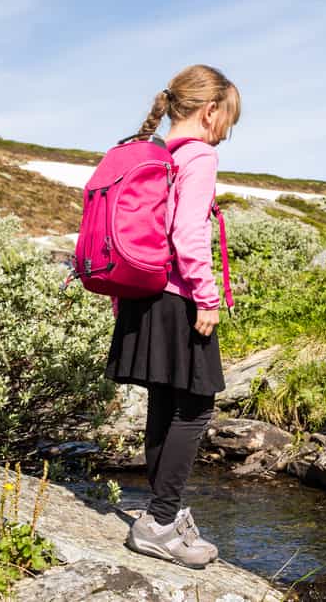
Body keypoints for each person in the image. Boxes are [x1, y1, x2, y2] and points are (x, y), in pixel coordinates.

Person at [105, 65, 240, 568]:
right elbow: (187, 233)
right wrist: (206, 296)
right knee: (197, 407)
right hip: (178, 298)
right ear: (209, 111)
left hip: (143, 296)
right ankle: (161, 522)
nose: (227, 129)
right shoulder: (200, 155)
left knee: (164, 404)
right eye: (229, 118)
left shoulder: (154, 153)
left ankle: (164, 514)